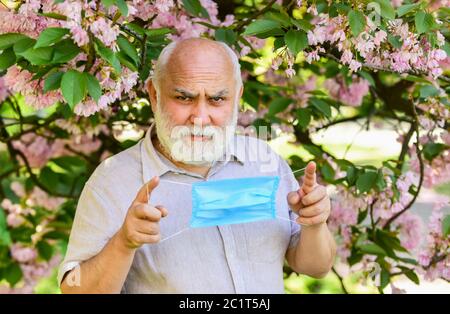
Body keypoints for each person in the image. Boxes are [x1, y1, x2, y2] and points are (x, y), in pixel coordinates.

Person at [58, 37, 336, 293]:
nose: (200, 117)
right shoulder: (113, 181)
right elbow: (73, 289)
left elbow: (315, 266)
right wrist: (123, 244)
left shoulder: (263, 161)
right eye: (184, 98)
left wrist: (314, 224)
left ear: (237, 96)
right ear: (154, 94)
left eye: (217, 99)